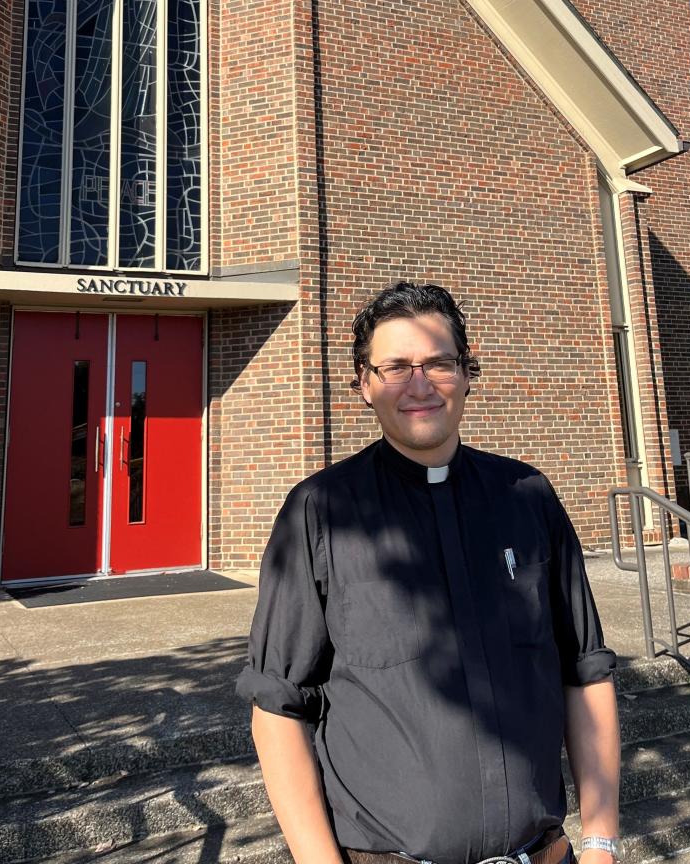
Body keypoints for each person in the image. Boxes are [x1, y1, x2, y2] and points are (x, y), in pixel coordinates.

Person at [237, 281, 621, 864]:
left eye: (438, 363)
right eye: (394, 367)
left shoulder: (528, 497)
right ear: (363, 384)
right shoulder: (319, 512)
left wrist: (600, 840)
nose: (419, 385)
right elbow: (277, 705)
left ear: (468, 373)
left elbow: (586, 672)